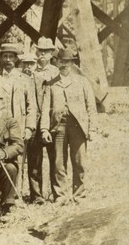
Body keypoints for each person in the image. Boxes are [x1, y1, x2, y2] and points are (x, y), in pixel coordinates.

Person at [40, 48, 97, 203]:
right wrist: (44, 129)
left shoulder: (82, 81)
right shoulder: (50, 84)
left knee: (79, 162)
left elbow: (91, 106)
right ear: (56, 62)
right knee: (59, 162)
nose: (64, 64)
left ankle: (79, 195)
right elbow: (45, 108)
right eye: (61, 61)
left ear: (72, 63)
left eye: (68, 61)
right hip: (58, 126)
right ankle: (61, 195)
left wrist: (92, 128)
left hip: (78, 126)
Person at [0, 43, 36, 195]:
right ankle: (0, 192)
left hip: (19, 125)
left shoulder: (25, 79)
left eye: (11, 56)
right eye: (5, 56)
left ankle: (17, 192)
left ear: (16, 59)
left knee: (19, 159)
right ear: (1, 58)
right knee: (1, 156)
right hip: (0, 126)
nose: (8, 59)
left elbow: (32, 106)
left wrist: (29, 127)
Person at [27, 37, 60, 203]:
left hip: (52, 122)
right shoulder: (31, 72)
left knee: (55, 158)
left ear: (51, 54)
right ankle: (37, 195)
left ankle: (57, 193)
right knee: (34, 160)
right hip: (34, 121)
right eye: (39, 51)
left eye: (46, 52)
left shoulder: (56, 73)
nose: (42, 55)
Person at [19, 52, 48, 204]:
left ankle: (36, 195)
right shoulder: (17, 80)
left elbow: (45, 104)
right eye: (25, 63)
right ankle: (15, 194)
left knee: (35, 162)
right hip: (19, 126)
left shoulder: (41, 81)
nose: (28, 67)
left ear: (36, 64)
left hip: (36, 128)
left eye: (31, 63)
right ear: (21, 64)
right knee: (17, 161)